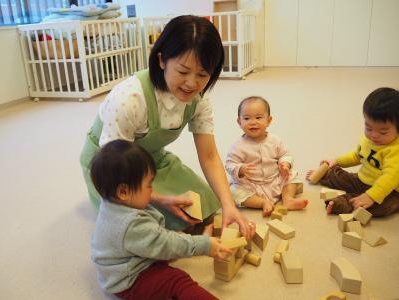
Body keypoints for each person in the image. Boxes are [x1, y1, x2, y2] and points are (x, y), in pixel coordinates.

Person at [80, 15, 254, 239]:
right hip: (111, 170)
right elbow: (113, 168)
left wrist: (228, 203)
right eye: (183, 72)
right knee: (142, 230)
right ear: (162, 60)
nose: (192, 84)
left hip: (151, 161)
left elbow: (209, 156)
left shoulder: (199, 100)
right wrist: (156, 198)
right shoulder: (129, 98)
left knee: (205, 202)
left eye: (202, 74)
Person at [90, 139, 232, 299]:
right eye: (149, 185)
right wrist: (204, 245)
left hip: (123, 262)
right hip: (129, 279)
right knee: (177, 282)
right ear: (123, 191)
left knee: (169, 240)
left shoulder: (112, 200)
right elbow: (166, 243)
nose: (153, 190)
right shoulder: (131, 224)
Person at [307, 87, 399, 216]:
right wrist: (336, 161)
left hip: (388, 191)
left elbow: (389, 179)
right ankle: (327, 174)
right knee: (342, 176)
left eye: (383, 132)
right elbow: (357, 156)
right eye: (368, 127)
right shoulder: (369, 140)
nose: (374, 135)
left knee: (384, 207)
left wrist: (371, 196)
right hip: (362, 180)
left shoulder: (395, 152)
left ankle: (343, 203)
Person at [225, 96, 308, 216]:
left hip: (274, 179)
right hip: (251, 185)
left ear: (268, 120)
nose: (253, 122)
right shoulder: (237, 146)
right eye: (247, 118)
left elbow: (285, 154)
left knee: (292, 176)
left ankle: (288, 199)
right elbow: (229, 164)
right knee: (233, 191)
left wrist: (285, 164)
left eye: (258, 117)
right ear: (239, 122)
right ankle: (262, 202)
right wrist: (240, 169)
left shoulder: (275, 140)